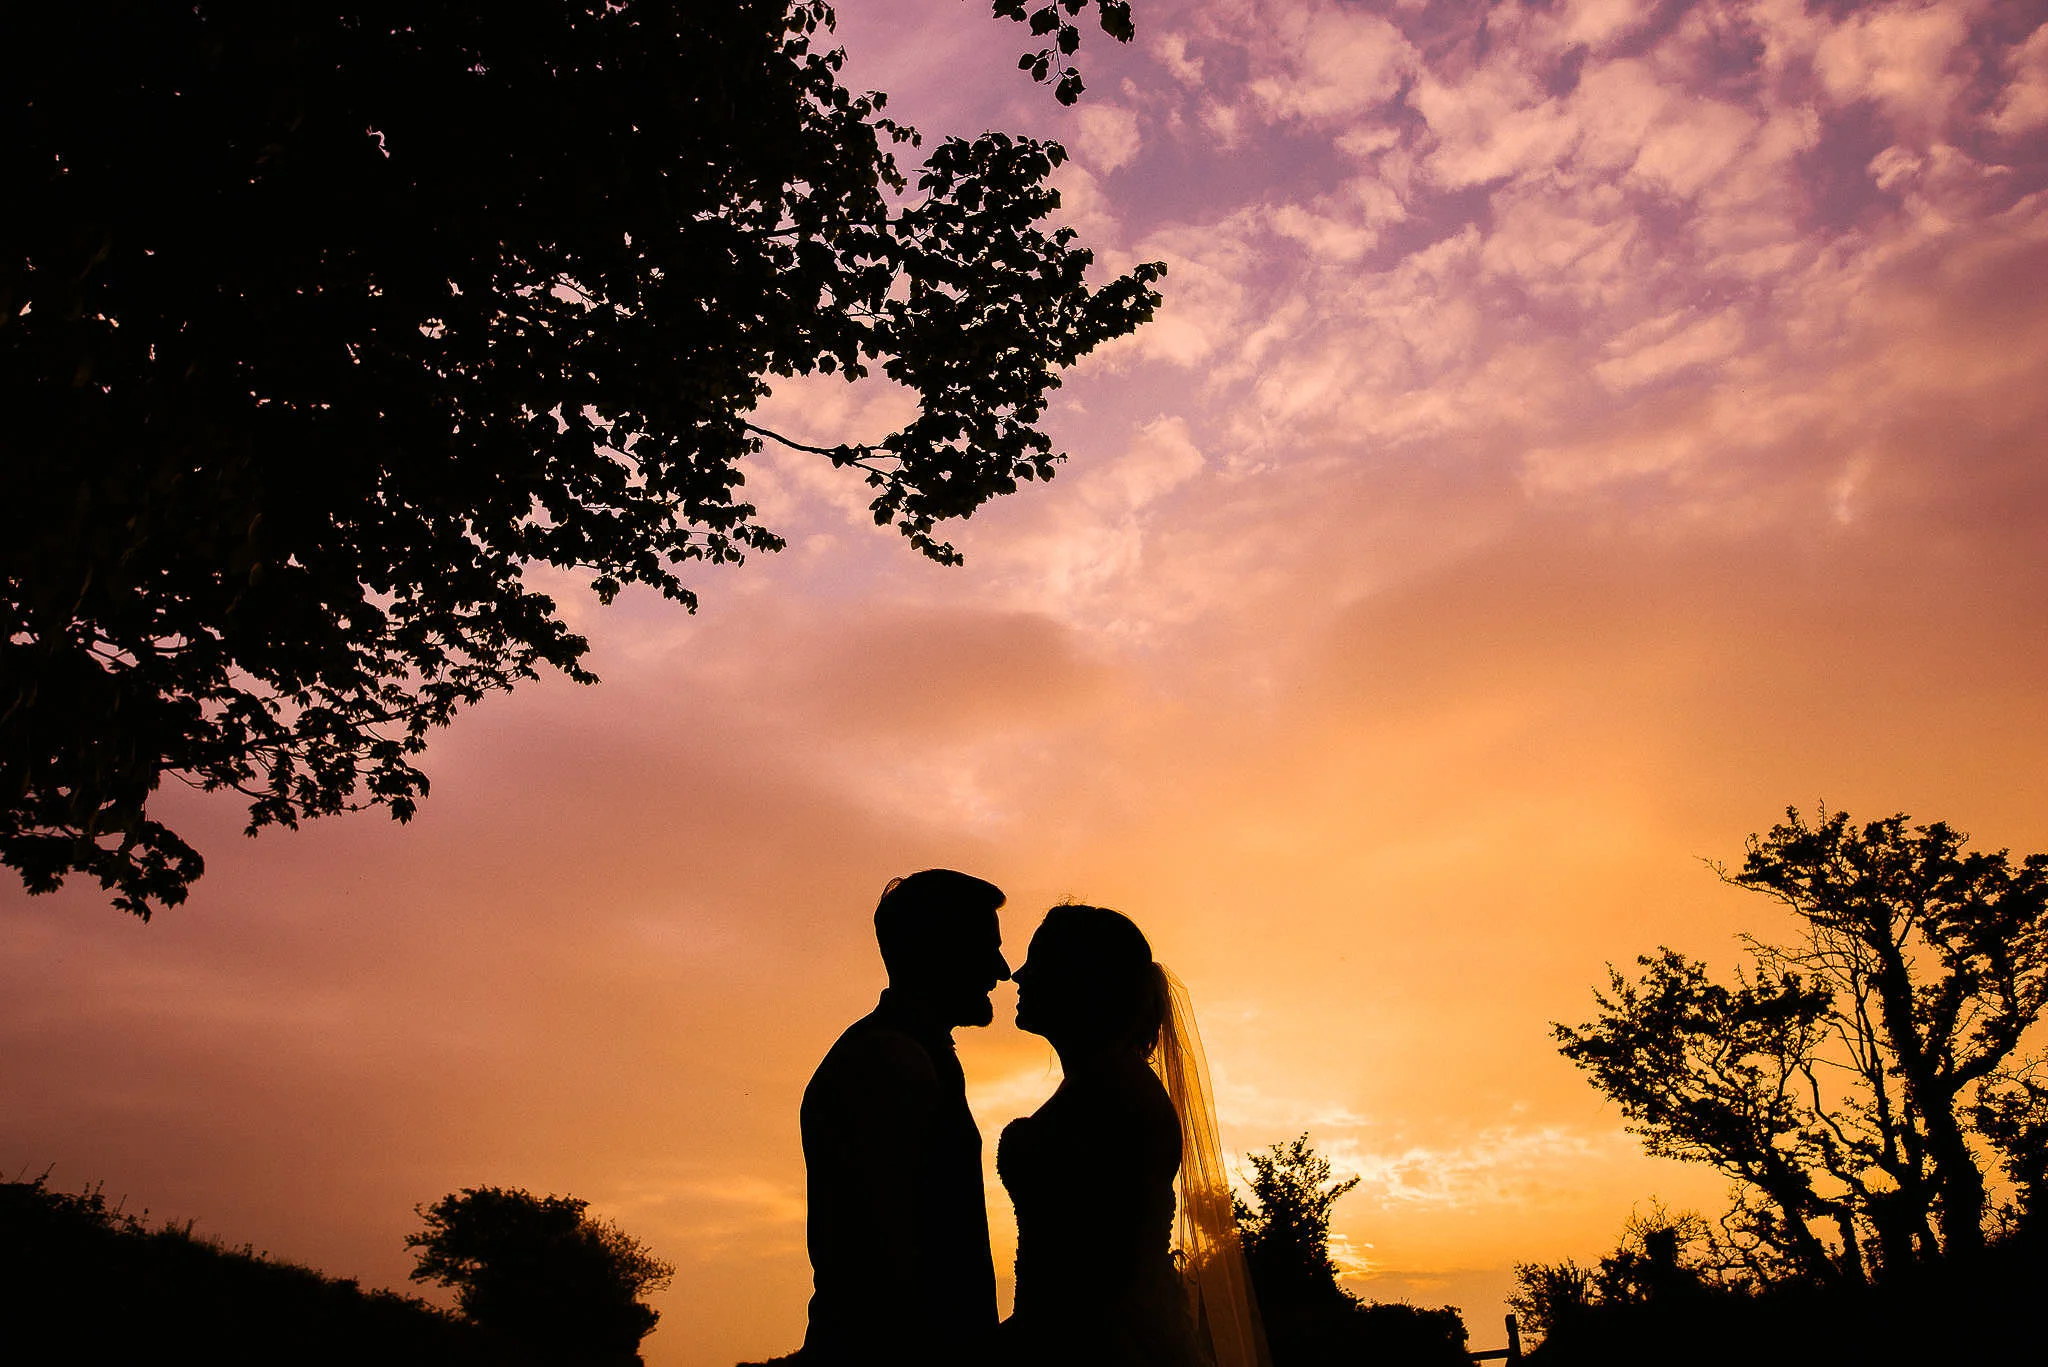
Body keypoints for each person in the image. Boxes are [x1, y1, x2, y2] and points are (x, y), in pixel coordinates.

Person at [1000, 905, 1268, 1367]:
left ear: (1081, 979)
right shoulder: (1102, 1085)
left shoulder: (1116, 1096)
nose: (1018, 975)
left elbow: (1094, 1277)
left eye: (1038, 961)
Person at [799, 870, 1011, 1367]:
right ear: (939, 950)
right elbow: (887, 1257)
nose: (1002, 970)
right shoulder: (889, 1062)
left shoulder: (912, 1053)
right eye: (987, 946)